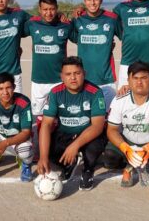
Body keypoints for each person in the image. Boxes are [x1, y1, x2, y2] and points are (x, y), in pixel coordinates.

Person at [104, 61, 149, 197]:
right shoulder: (119, 99)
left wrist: (148, 148)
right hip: (129, 141)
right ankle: (129, 166)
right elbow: (111, 130)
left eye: (144, 78)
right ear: (128, 80)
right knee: (109, 157)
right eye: (135, 78)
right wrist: (125, 148)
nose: (139, 82)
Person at [37, 56, 107, 190]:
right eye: (68, 74)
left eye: (77, 73)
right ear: (62, 77)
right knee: (48, 150)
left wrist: (75, 146)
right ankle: (69, 164)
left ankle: (87, 170)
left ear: (84, 74)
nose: (73, 78)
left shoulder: (95, 92)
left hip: (88, 135)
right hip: (65, 134)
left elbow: (97, 126)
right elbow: (46, 125)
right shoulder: (55, 93)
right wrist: (43, 157)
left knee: (94, 147)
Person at [24, 0, 73, 150]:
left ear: (57, 9)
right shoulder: (32, 24)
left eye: (52, 9)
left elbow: (80, 38)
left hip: (59, 80)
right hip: (38, 80)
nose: (48, 13)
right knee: (38, 116)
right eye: (45, 9)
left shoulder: (65, 26)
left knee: (60, 116)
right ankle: (39, 148)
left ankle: (59, 147)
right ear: (39, 9)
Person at [69, 0, 119, 109]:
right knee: (86, 117)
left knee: (108, 117)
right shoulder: (77, 20)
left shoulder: (112, 19)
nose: (93, 2)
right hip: (83, 79)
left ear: (101, 0)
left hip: (106, 79)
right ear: (85, 1)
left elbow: (129, 36)